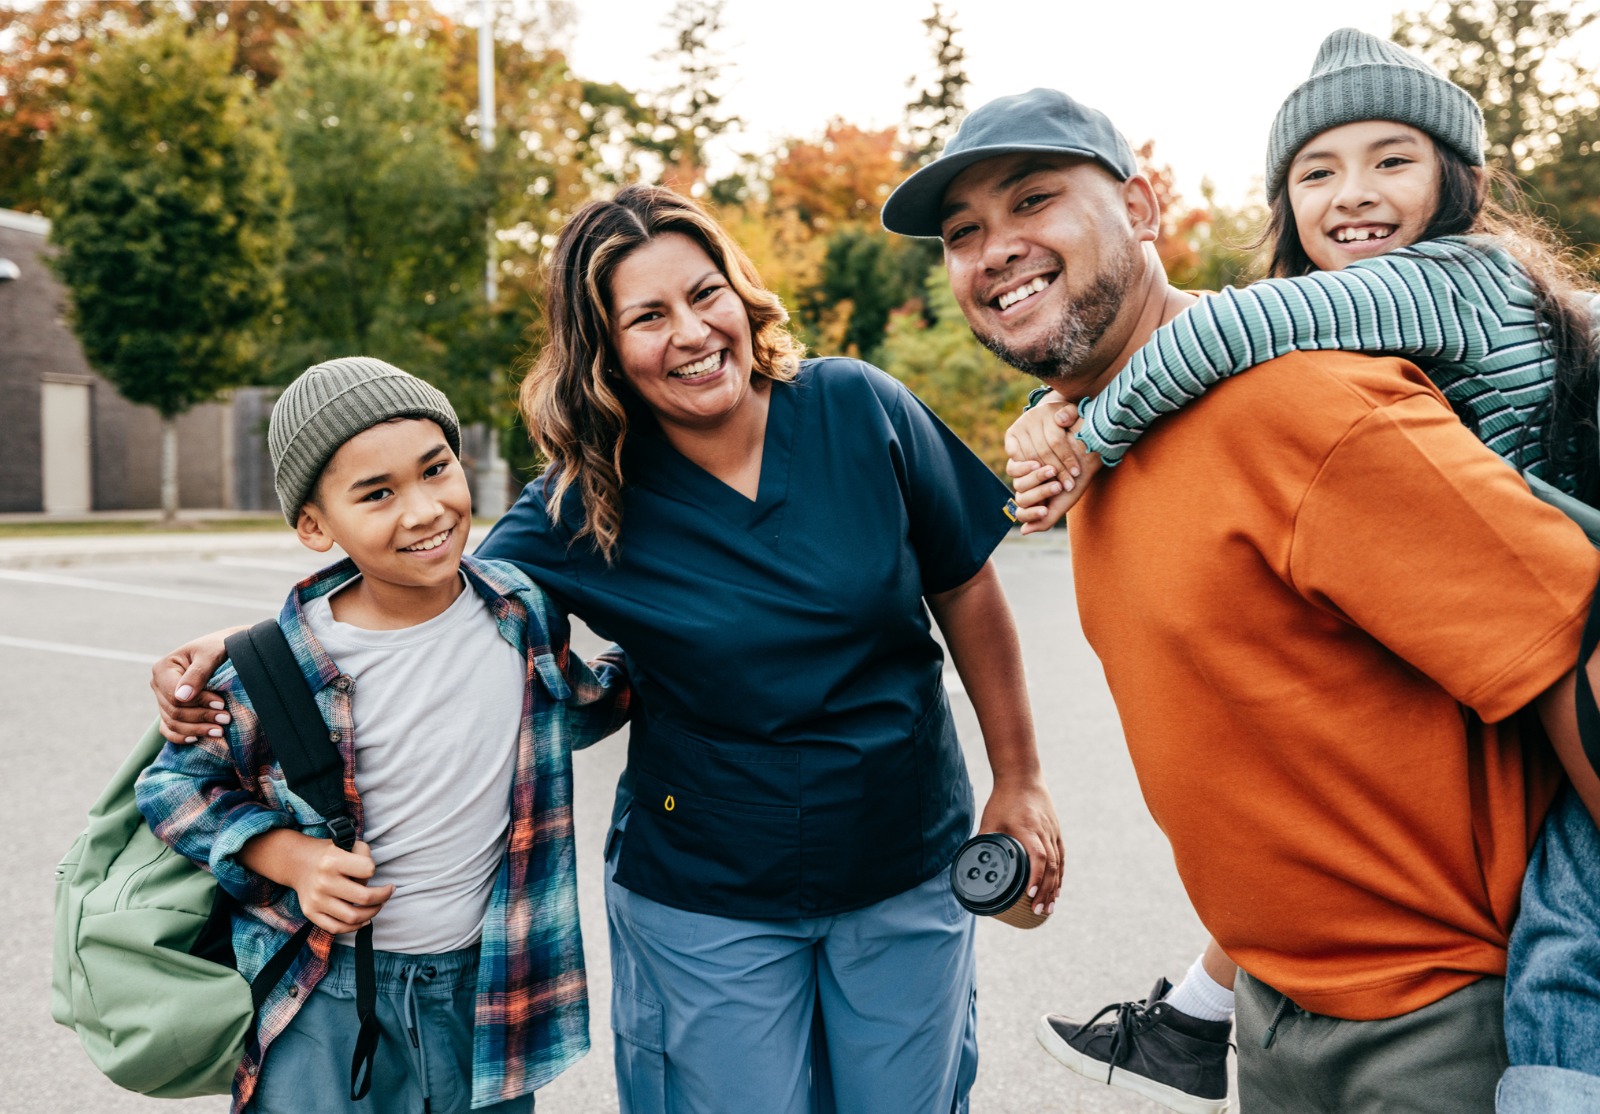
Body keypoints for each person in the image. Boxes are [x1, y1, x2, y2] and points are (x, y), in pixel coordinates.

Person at [152, 187, 1063, 1114]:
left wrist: (1019, 776)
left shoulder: (858, 407)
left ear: (740, 293)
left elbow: (964, 582)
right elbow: (436, 586)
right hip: (707, 896)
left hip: (904, 862)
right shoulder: (583, 499)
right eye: (648, 316)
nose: (693, 333)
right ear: (605, 350)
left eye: (705, 294)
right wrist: (256, 645)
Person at [880, 71, 1600, 1114]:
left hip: (1436, 1027)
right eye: (962, 232)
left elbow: (1570, 649)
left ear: (1139, 208)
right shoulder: (1095, 447)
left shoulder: (1301, 405)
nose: (994, 249)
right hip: (1272, 1021)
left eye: (1033, 199)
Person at [136, 357, 630, 1114]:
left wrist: (678, 653)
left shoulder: (520, 611)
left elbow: (578, 705)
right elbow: (172, 788)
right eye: (377, 493)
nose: (425, 510)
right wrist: (291, 857)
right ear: (315, 525)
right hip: (323, 992)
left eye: (436, 469)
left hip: (491, 984)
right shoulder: (278, 666)